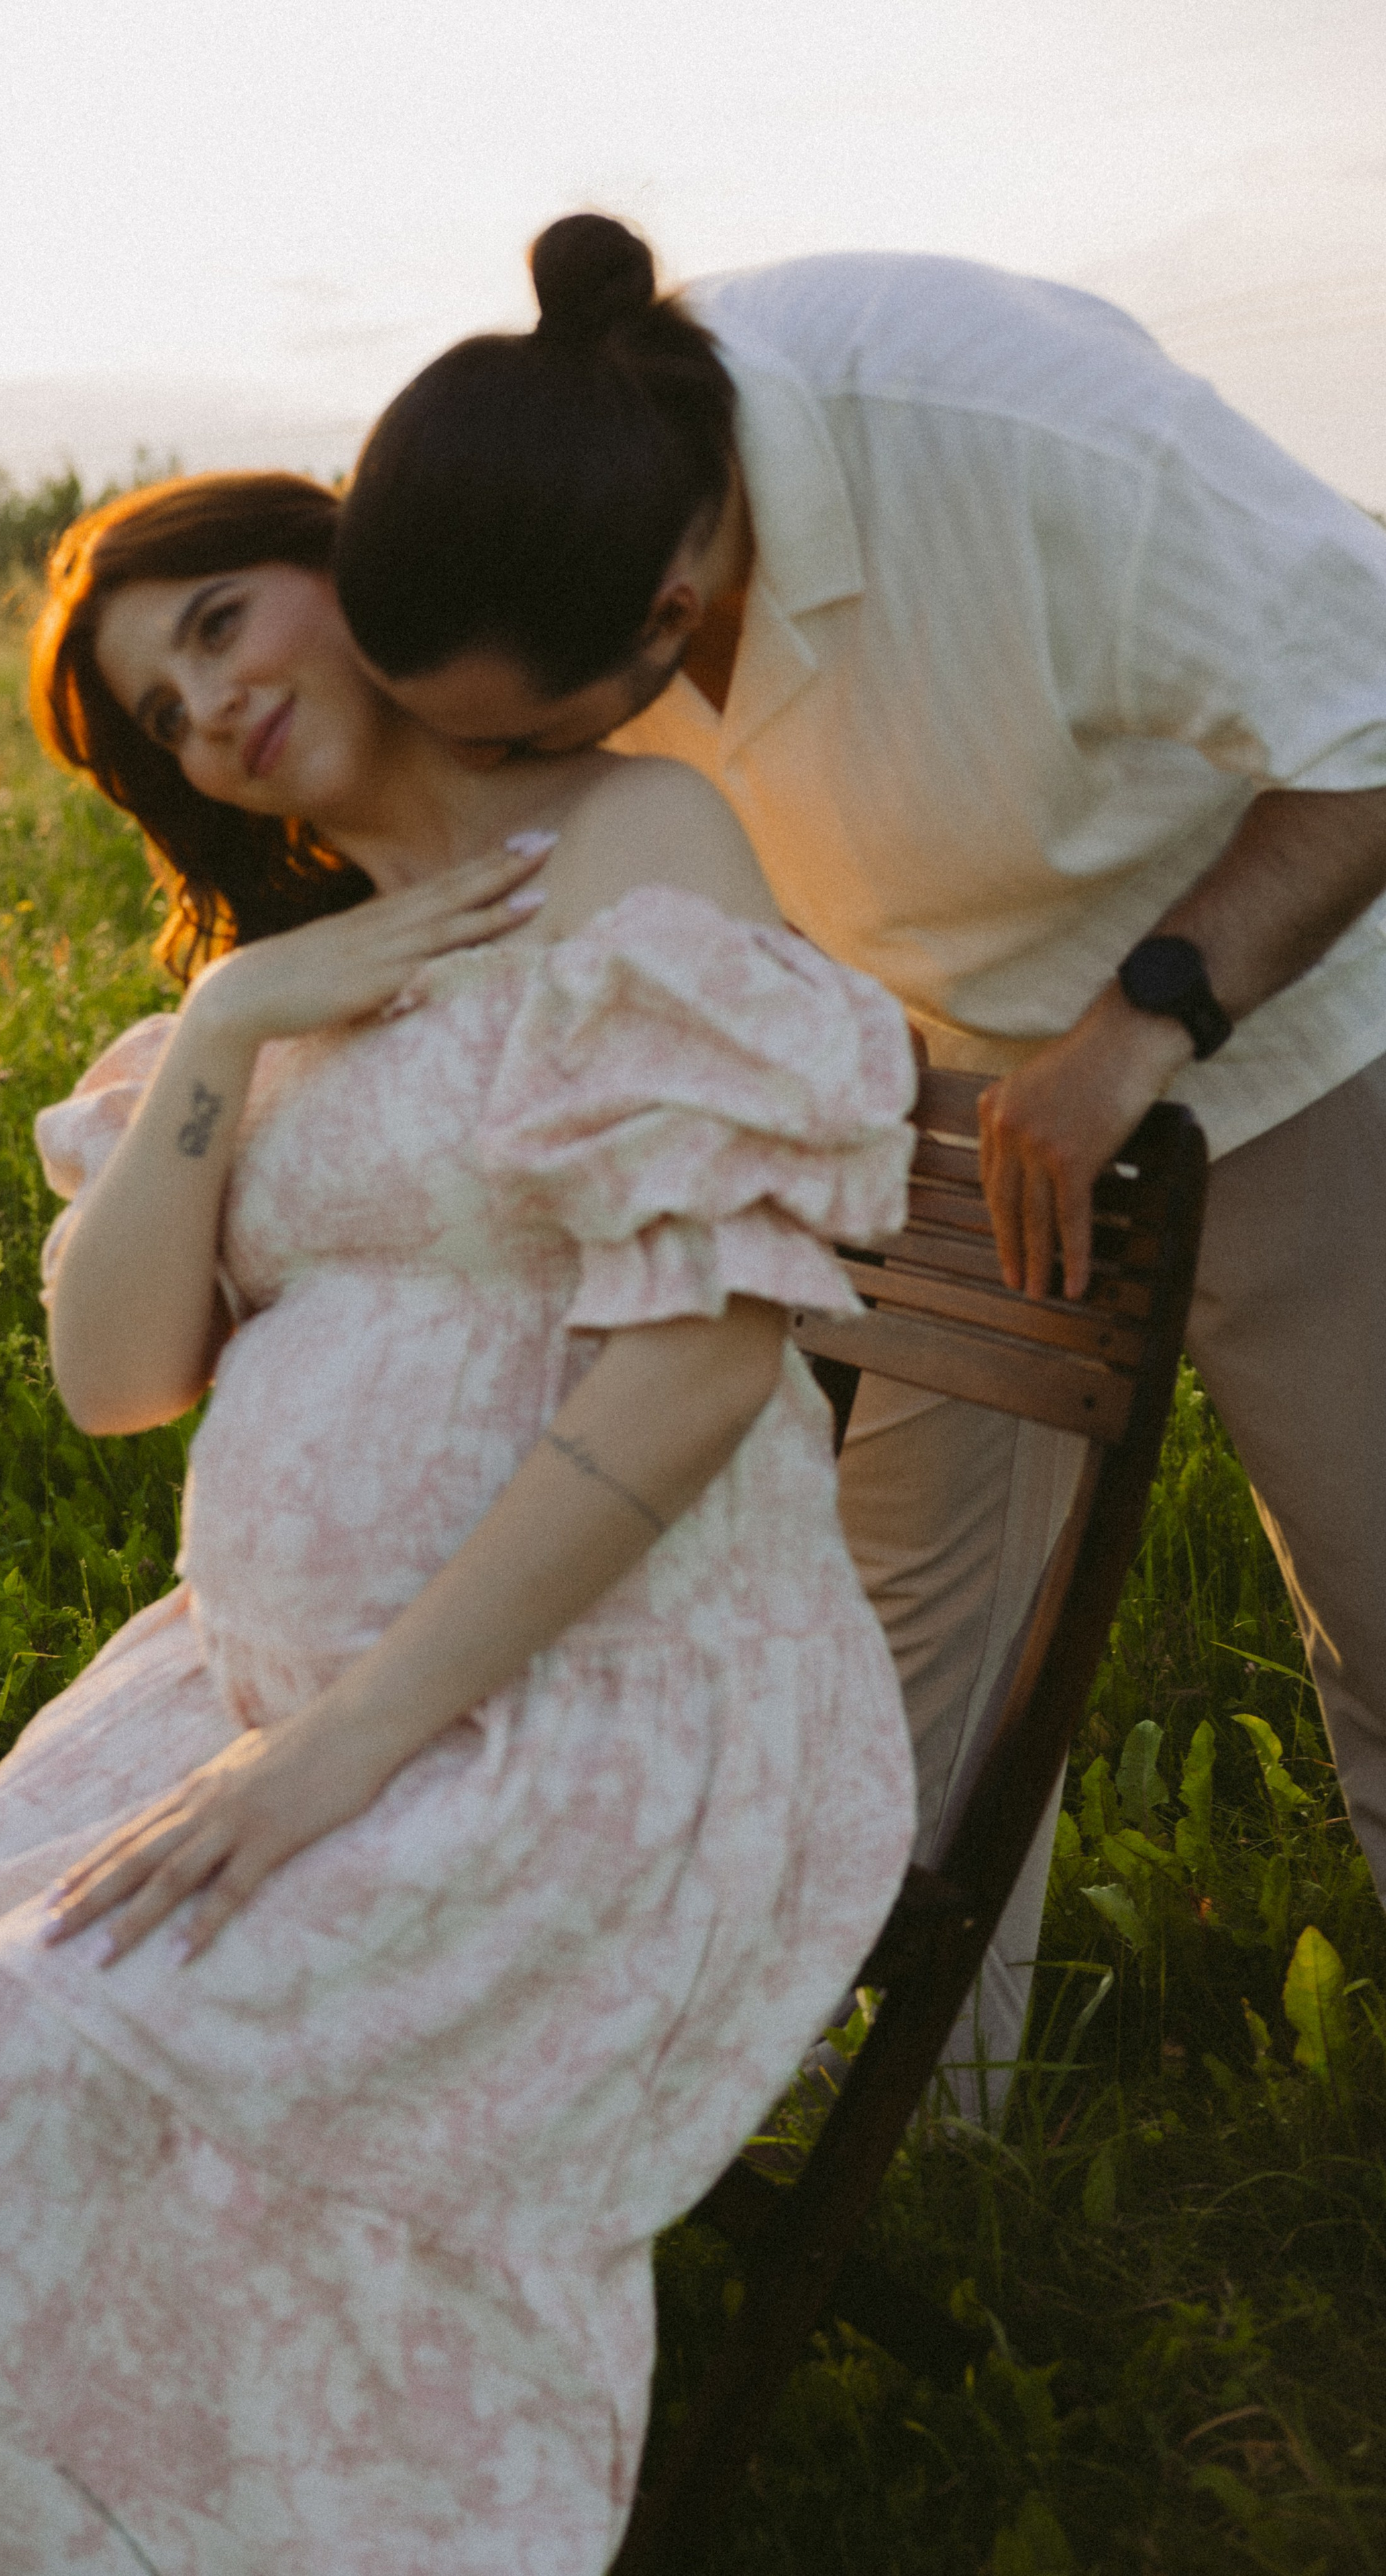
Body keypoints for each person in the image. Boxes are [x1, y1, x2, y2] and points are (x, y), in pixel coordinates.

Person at [0, 469, 918, 2572]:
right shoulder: (284, 975)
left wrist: (338, 1755)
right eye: (165, 706)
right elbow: (115, 1376)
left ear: (355, 575)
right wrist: (243, 1020)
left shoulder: (629, 842)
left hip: (600, 1712)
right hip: (259, 1692)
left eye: (228, 620)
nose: (212, 704)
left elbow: (704, 1367)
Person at [334, 211, 1386, 2115]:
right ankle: (908, 2119)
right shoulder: (561, 502)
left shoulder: (1013, 433)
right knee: (922, 1611)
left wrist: (1137, 1030)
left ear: (662, 627)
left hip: (1298, 1015)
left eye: (525, 741)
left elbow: (1378, 701)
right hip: (946, 1066)